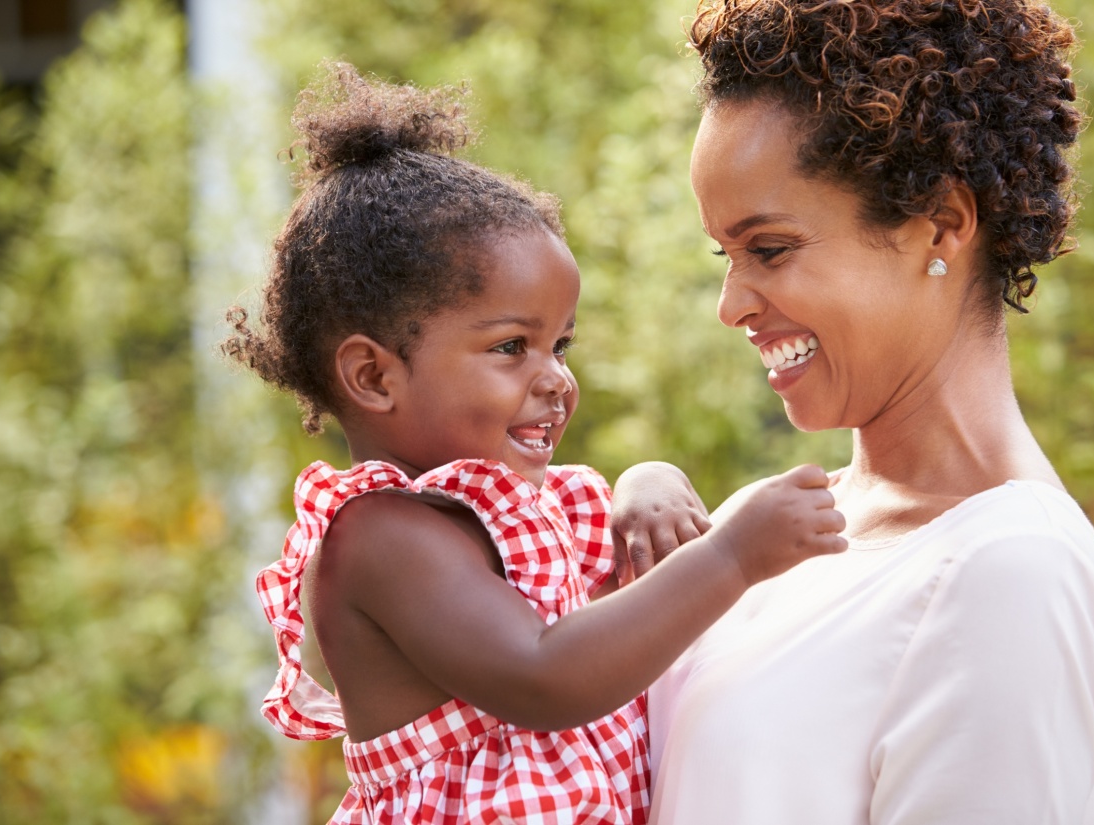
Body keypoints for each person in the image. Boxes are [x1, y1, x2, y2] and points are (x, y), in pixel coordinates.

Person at [223, 62, 847, 825]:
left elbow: (612, 618)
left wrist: (645, 485)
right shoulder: (381, 539)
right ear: (373, 376)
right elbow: (547, 674)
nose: (554, 378)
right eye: (512, 346)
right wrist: (731, 556)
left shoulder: (526, 511)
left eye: (562, 345)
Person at [645, 1, 1094, 823]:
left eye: (770, 248)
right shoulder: (766, 529)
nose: (730, 304)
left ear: (940, 225)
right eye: (723, 255)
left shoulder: (1011, 573)